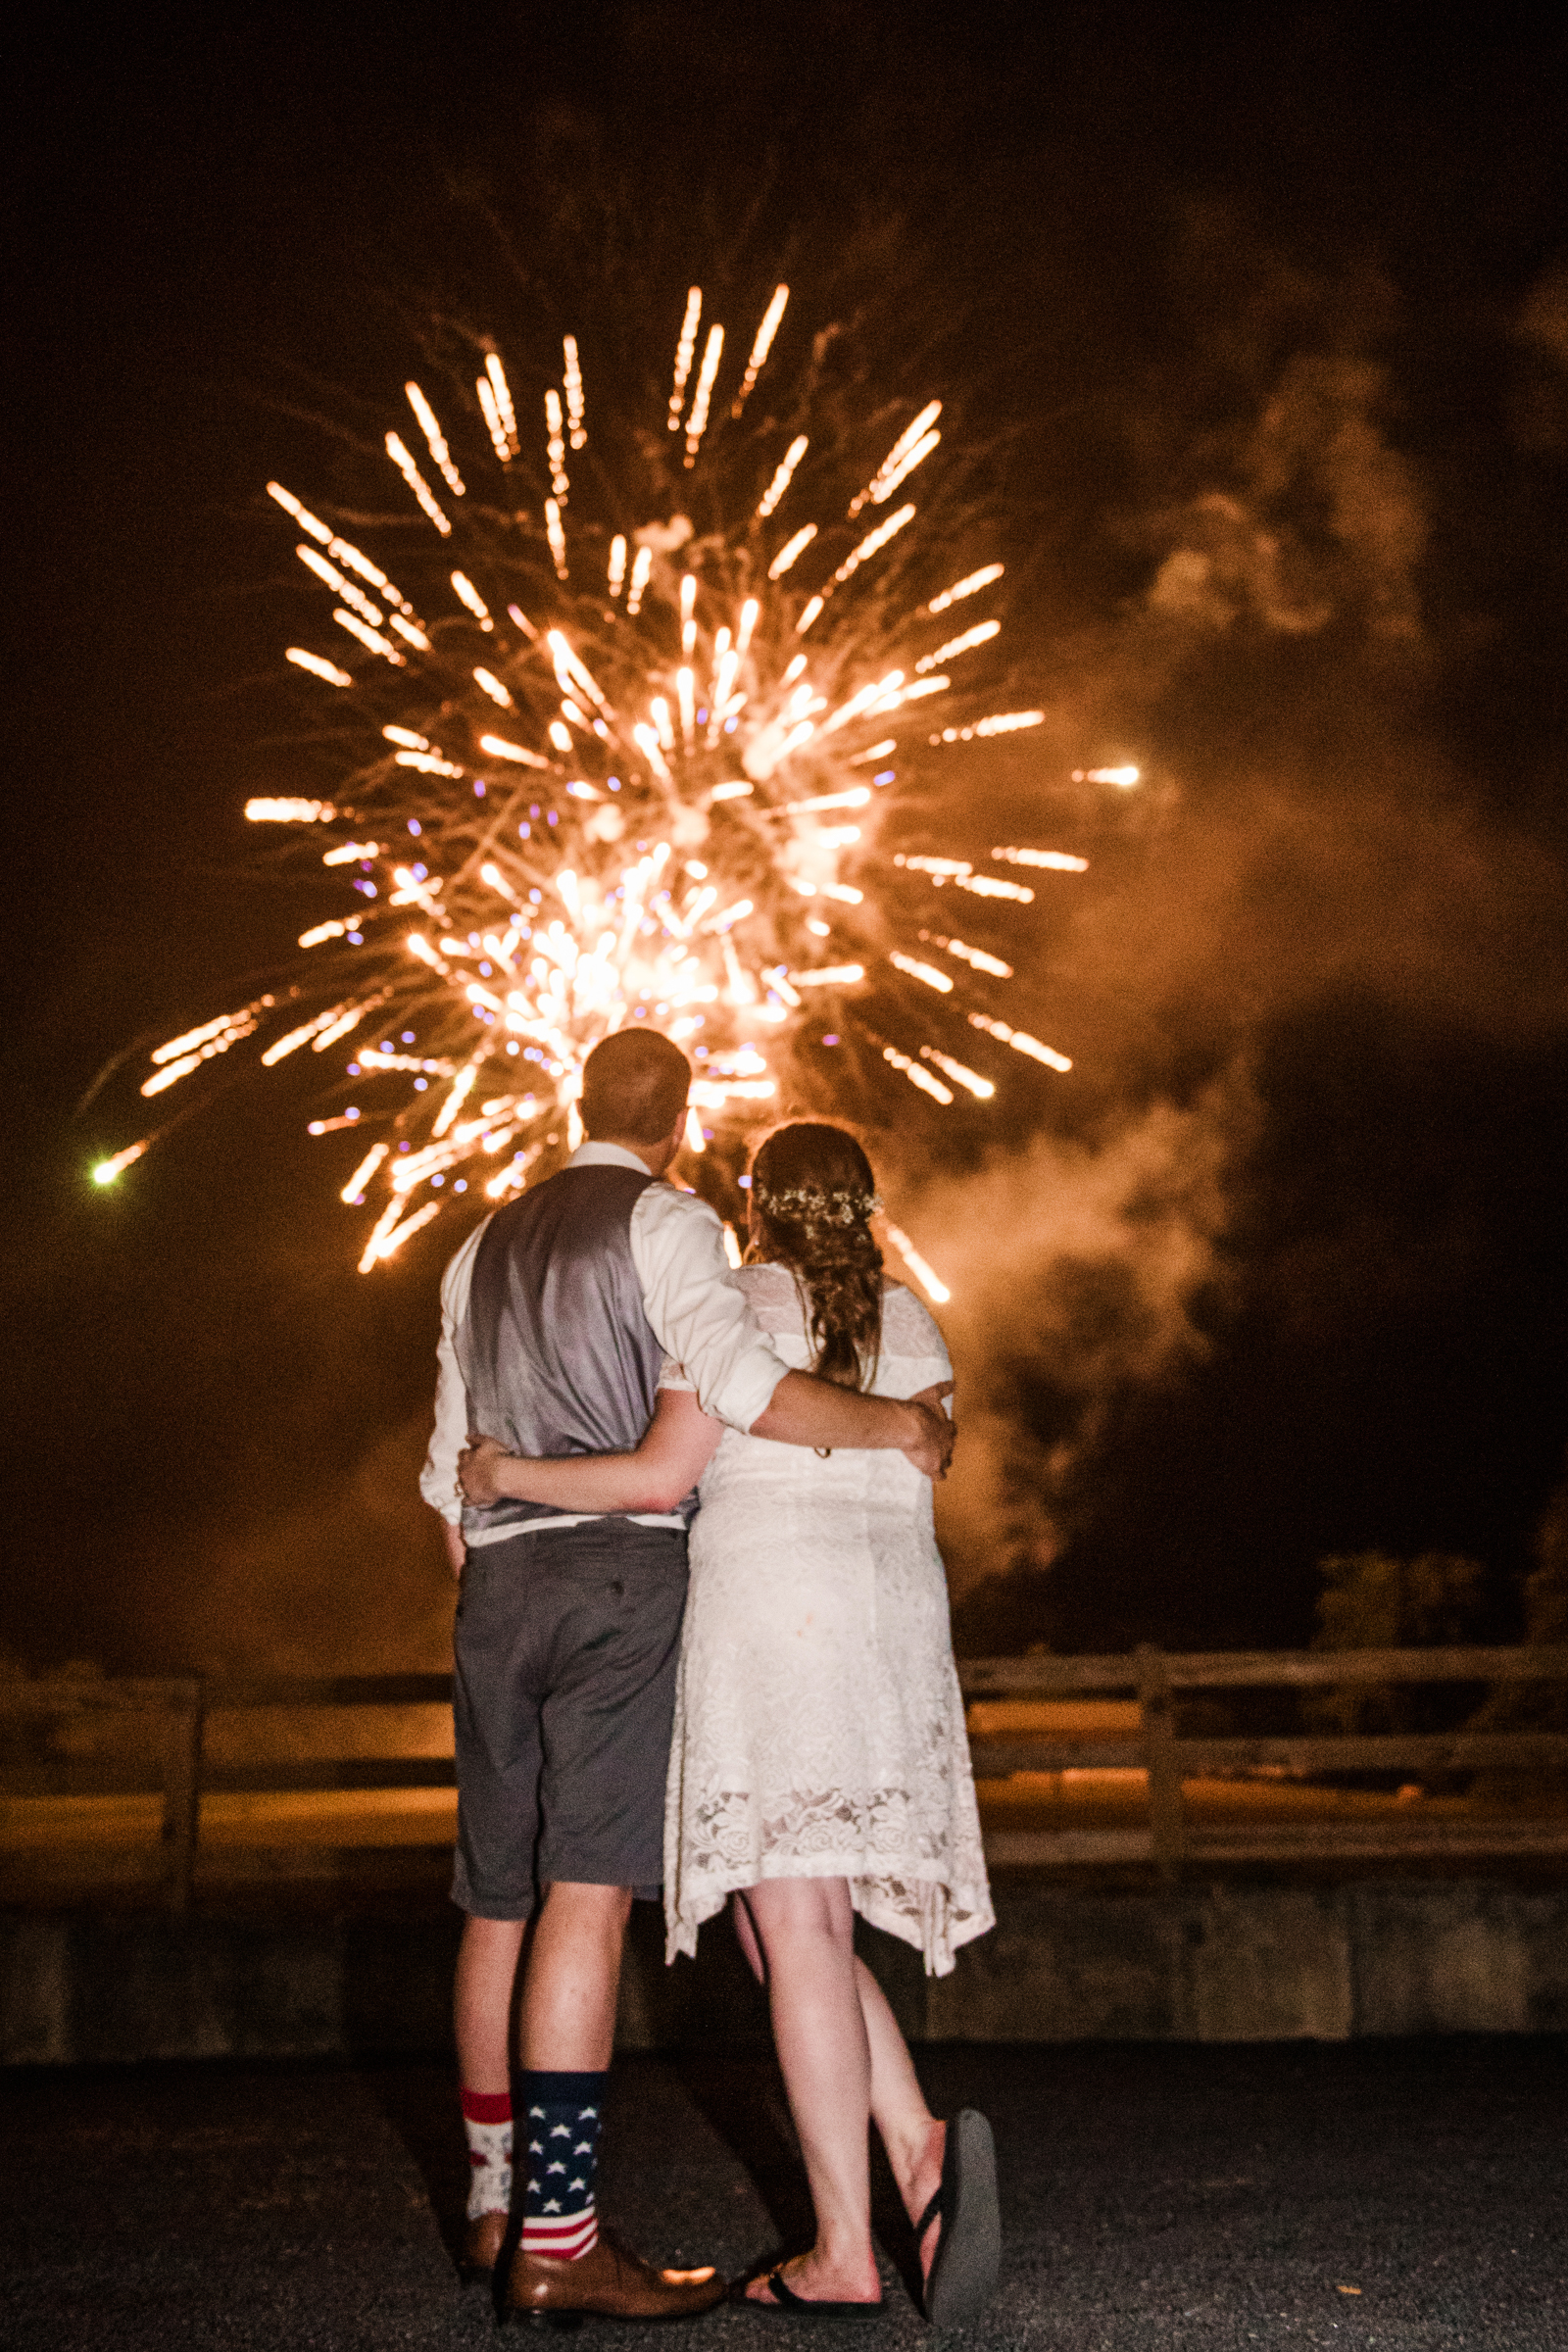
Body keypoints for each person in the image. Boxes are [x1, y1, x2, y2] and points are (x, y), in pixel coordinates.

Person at [420, 1034, 956, 2326]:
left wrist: (499, 1531)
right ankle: (560, 2236)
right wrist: (895, 1420)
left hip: (496, 1584)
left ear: (574, 1102)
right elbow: (720, 1410)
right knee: (585, 1903)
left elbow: (449, 1477)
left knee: (494, 1904)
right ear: (681, 1119)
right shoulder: (670, 1225)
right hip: (620, 1574)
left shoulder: (477, 1245)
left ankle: (495, 2203)